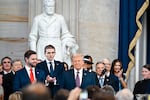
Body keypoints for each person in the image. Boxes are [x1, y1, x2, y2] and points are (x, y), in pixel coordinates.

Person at [29, 0, 78, 67]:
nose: (51, 8)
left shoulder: (60, 18)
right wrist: (33, 53)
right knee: (41, 66)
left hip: (56, 44)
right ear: (44, 6)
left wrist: (68, 41)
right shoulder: (38, 18)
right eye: (49, 6)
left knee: (58, 65)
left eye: (52, 6)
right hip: (42, 44)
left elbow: (65, 33)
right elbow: (32, 37)